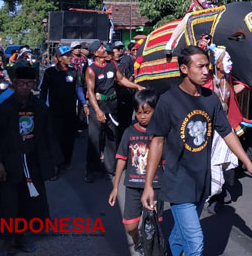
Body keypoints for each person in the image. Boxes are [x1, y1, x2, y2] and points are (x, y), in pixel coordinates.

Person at [141, 46, 252, 256]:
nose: (206, 71)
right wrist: (148, 185)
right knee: (195, 244)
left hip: (202, 181)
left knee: (180, 236)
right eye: (200, 66)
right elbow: (157, 142)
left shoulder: (211, 98)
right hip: (179, 183)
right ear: (184, 69)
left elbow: (227, 133)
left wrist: (249, 164)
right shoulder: (168, 100)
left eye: (207, 66)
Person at [0, 66, 62, 254]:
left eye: (29, 83)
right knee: (8, 203)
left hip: (33, 163)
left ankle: (21, 237)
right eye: (21, 83)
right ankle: (7, 241)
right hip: (10, 163)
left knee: (29, 203)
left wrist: (53, 161)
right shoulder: (3, 110)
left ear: (34, 84)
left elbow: (48, 135)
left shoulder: (40, 108)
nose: (25, 87)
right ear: (14, 84)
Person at [108, 89, 162, 256]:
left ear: (155, 110)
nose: (142, 116)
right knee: (130, 225)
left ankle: (151, 249)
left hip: (154, 187)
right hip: (132, 186)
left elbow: (167, 161)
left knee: (152, 226)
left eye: (147, 112)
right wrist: (115, 187)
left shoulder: (160, 134)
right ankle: (138, 241)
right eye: (138, 113)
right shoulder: (129, 132)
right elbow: (122, 159)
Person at [85, 41, 145, 182]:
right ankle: (91, 171)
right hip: (98, 106)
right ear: (95, 53)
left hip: (112, 105)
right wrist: (98, 111)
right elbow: (91, 92)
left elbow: (122, 79)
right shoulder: (91, 69)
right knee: (95, 139)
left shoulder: (112, 64)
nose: (105, 49)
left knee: (111, 138)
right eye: (101, 48)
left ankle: (109, 169)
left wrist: (137, 87)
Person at [39, 45, 89, 179]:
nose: (69, 57)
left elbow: (78, 89)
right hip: (54, 112)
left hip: (70, 111)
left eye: (69, 55)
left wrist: (84, 103)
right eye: (66, 56)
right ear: (58, 58)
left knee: (68, 138)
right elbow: (44, 90)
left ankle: (66, 161)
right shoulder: (49, 72)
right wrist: (41, 105)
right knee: (55, 138)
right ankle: (55, 166)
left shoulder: (74, 72)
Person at [206, 45, 243, 213]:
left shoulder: (227, 81)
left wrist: (248, 84)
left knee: (227, 164)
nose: (231, 63)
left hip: (225, 128)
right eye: (227, 60)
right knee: (214, 163)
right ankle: (215, 196)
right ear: (218, 64)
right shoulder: (208, 82)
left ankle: (221, 191)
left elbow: (231, 97)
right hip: (210, 130)